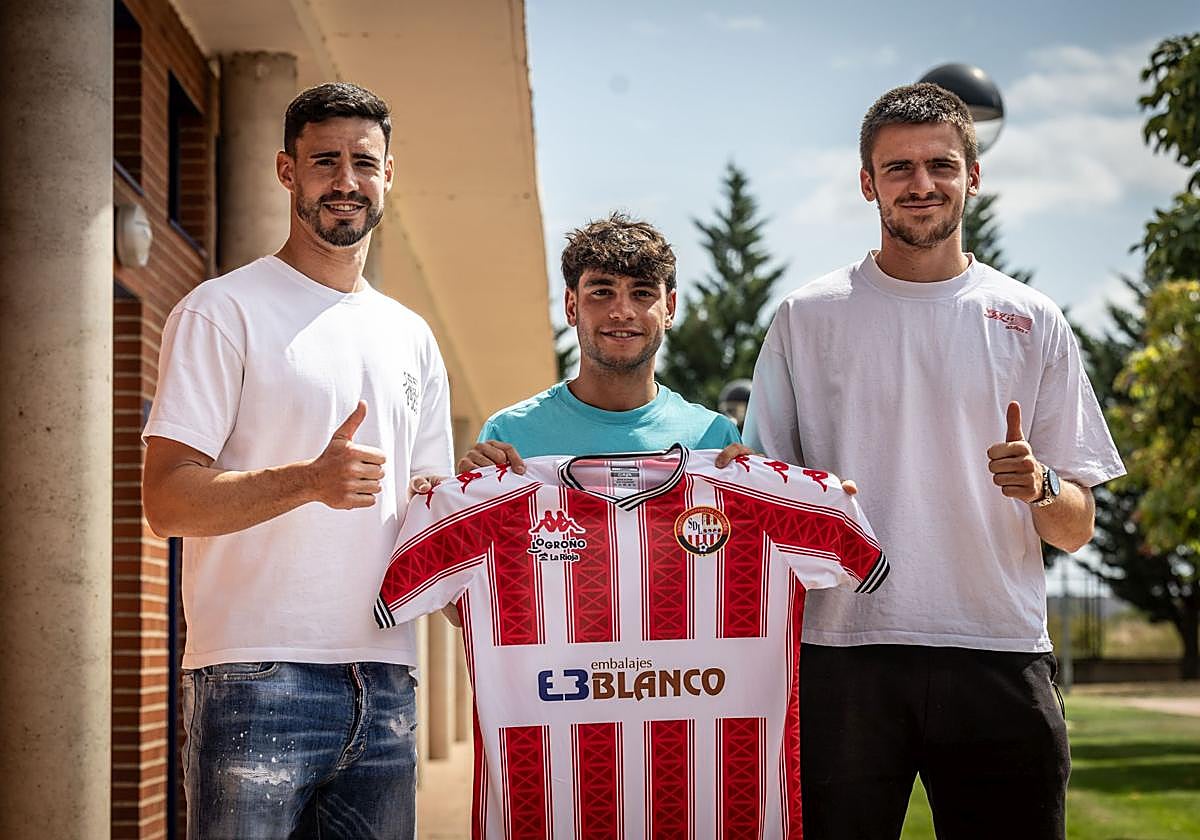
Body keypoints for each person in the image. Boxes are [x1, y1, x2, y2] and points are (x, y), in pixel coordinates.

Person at [743, 82, 1124, 840]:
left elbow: (1076, 527)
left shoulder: (1032, 319)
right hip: (844, 652)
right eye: (899, 168)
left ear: (973, 176)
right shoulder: (806, 317)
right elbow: (761, 501)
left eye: (941, 165)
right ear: (867, 183)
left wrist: (1041, 484)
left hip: (999, 649)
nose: (922, 185)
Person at [142, 82, 452, 839]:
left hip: (386, 678)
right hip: (254, 674)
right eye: (324, 161)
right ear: (287, 172)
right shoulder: (222, 310)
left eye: (363, 163)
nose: (346, 181)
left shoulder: (410, 335)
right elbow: (167, 501)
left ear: (389, 176)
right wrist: (306, 481)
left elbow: (431, 503)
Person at [454, 212, 745, 476]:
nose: (622, 311)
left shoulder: (715, 440)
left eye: (642, 293)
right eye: (602, 292)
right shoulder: (509, 435)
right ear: (571, 306)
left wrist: (756, 483)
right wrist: (468, 488)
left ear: (669, 308)